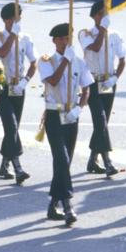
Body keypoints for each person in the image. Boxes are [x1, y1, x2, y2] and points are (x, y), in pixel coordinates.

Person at [39, 22, 93, 225]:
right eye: (60, 39)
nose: (64, 42)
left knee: (65, 162)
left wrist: (79, 108)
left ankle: (53, 205)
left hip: (72, 115)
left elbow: (86, 89)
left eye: (67, 38)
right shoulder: (46, 61)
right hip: (54, 115)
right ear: (54, 41)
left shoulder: (78, 62)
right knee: (61, 159)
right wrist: (64, 61)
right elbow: (52, 81)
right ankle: (68, 206)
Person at [0, 3, 36, 183]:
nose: (17, 21)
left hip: (18, 87)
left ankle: (4, 163)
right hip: (2, 87)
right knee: (11, 125)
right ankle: (17, 166)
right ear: (5, 20)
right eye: (13, 18)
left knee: (12, 128)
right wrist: (13, 34)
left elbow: (33, 62)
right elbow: (2, 52)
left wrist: (25, 82)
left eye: (19, 18)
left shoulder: (25, 38)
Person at [78, 0, 126, 177]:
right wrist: (103, 29)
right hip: (92, 82)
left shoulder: (115, 35)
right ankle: (107, 161)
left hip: (109, 83)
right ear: (93, 16)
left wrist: (115, 78)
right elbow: (97, 48)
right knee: (99, 119)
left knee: (103, 122)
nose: (103, 17)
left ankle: (92, 159)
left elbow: (122, 59)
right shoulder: (85, 34)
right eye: (100, 14)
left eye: (105, 13)